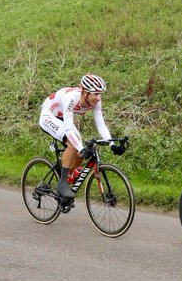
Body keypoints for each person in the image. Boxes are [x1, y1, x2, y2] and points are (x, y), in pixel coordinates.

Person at [38, 73, 123, 202]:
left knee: (80, 151)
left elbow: (100, 124)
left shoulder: (96, 101)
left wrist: (112, 144)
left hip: (62, 118)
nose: (98, 97)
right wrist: (80, 147)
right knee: (74, 145)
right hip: (49, 116)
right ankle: (62, 183)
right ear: (84, 93)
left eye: (99, 93)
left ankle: (67, 176)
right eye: (95, 93)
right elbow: (68, 127)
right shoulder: (71, 98)